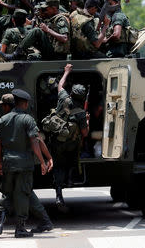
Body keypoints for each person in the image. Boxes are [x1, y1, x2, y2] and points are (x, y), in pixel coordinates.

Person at [0, 94, 54, 237]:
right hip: (24, 164)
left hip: (8, 163)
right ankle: (20, 228)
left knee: (8, 194)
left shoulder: (3, 119)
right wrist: (43, 161)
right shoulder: (28, 119)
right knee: (24, 194)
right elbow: (35, 141)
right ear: (24, 103)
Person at [50, 64, 89, 211]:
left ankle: (59, 193)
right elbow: (85, 134)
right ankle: (70, 179)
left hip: (57, 141)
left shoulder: (63, 98)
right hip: (71, 144)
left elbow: (60, 84)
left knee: (58, 166)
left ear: (71, 93)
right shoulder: (80, 112)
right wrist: (87, 121)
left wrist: (66, 72)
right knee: (71, 160)